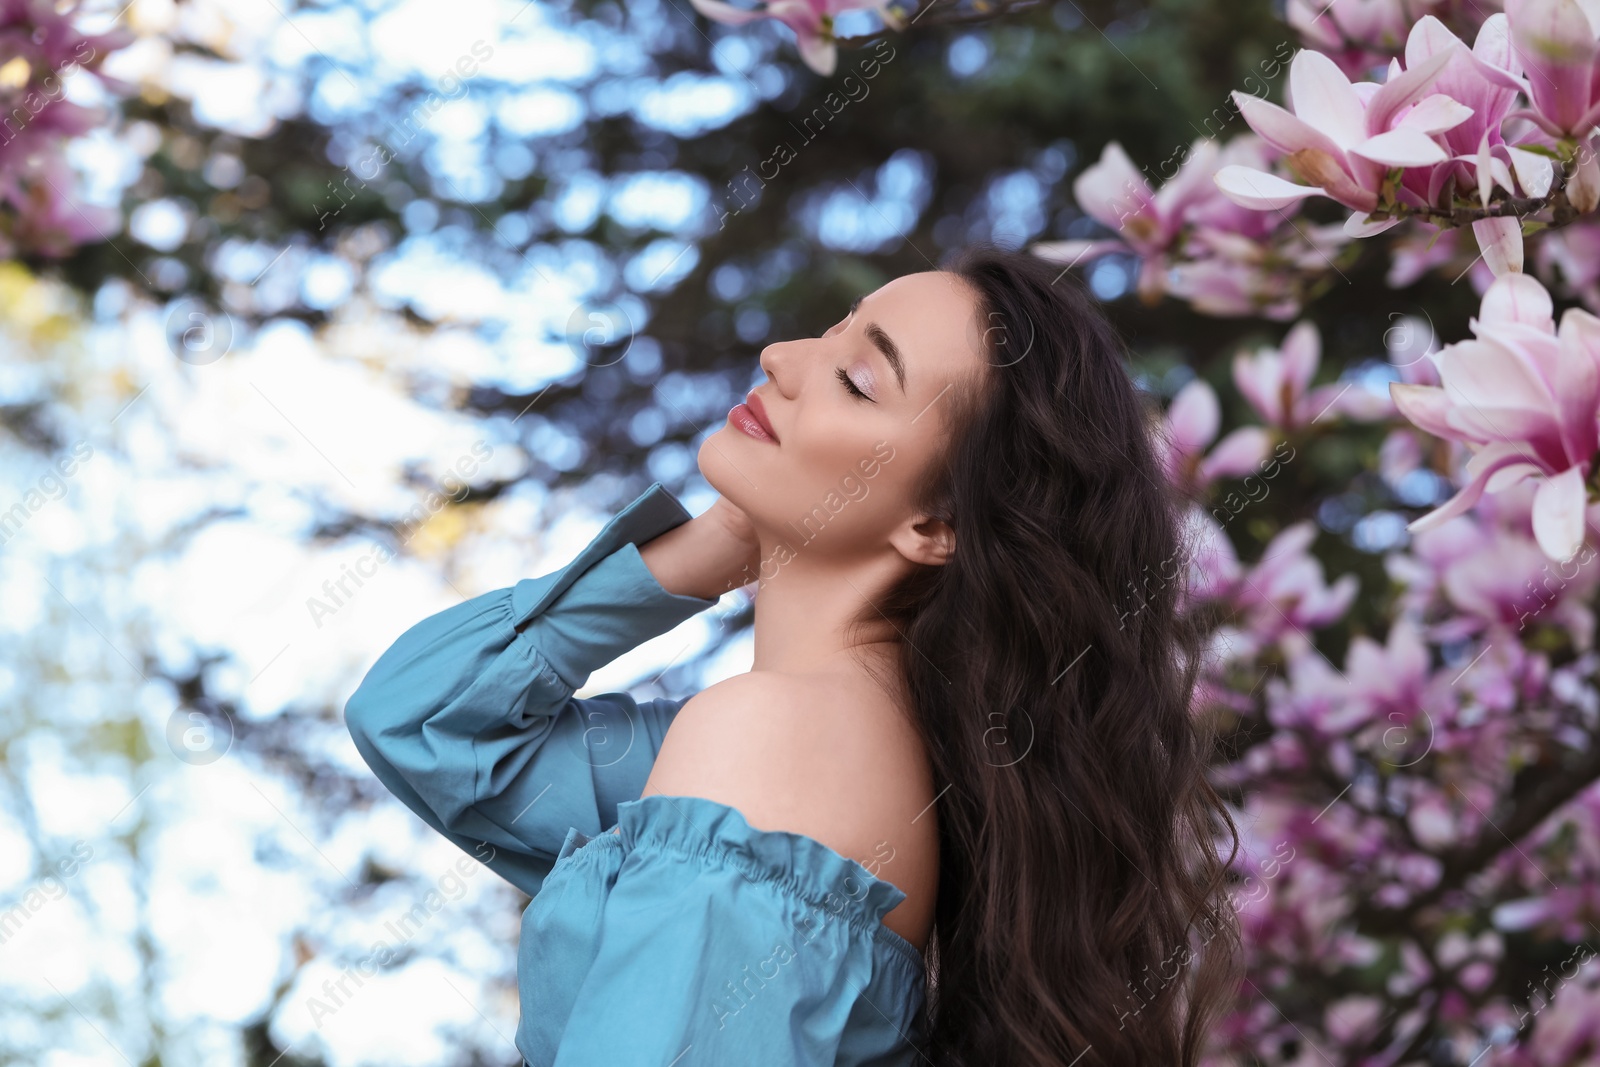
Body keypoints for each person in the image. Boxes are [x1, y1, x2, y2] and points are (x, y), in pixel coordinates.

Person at [343, 242, 1242, 1067]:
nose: (782, 356)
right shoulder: (817, 755)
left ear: (936, 525)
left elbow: (430, 730)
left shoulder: (775, 745)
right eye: (833, 328)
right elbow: (427, 721)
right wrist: (702, 551)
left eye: (856, 378)